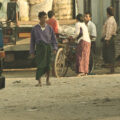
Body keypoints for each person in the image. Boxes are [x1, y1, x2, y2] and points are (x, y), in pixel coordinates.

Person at [30, 11, 58, 86]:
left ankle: (47, 80)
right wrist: (32, 52)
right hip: (40, 49)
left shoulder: (49, 28)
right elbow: (32, 41)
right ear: (39, 18)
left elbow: (53, 39)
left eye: (45, 18)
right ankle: (39, 81)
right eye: (43, 18)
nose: (44, 19)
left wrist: (55, 48)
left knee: (48, 65)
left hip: (48, 48)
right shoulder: (35, 28)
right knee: (40, 65)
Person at [102, 7, 117, 73]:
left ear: (107, 12)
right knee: (111, 53)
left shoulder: (110, 20)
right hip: (111, 37)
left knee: (110, 54)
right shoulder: (111, 19)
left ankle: (112, 69)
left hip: (110, 38)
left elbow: (109, 30)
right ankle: (111, 68)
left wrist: (107, 39)